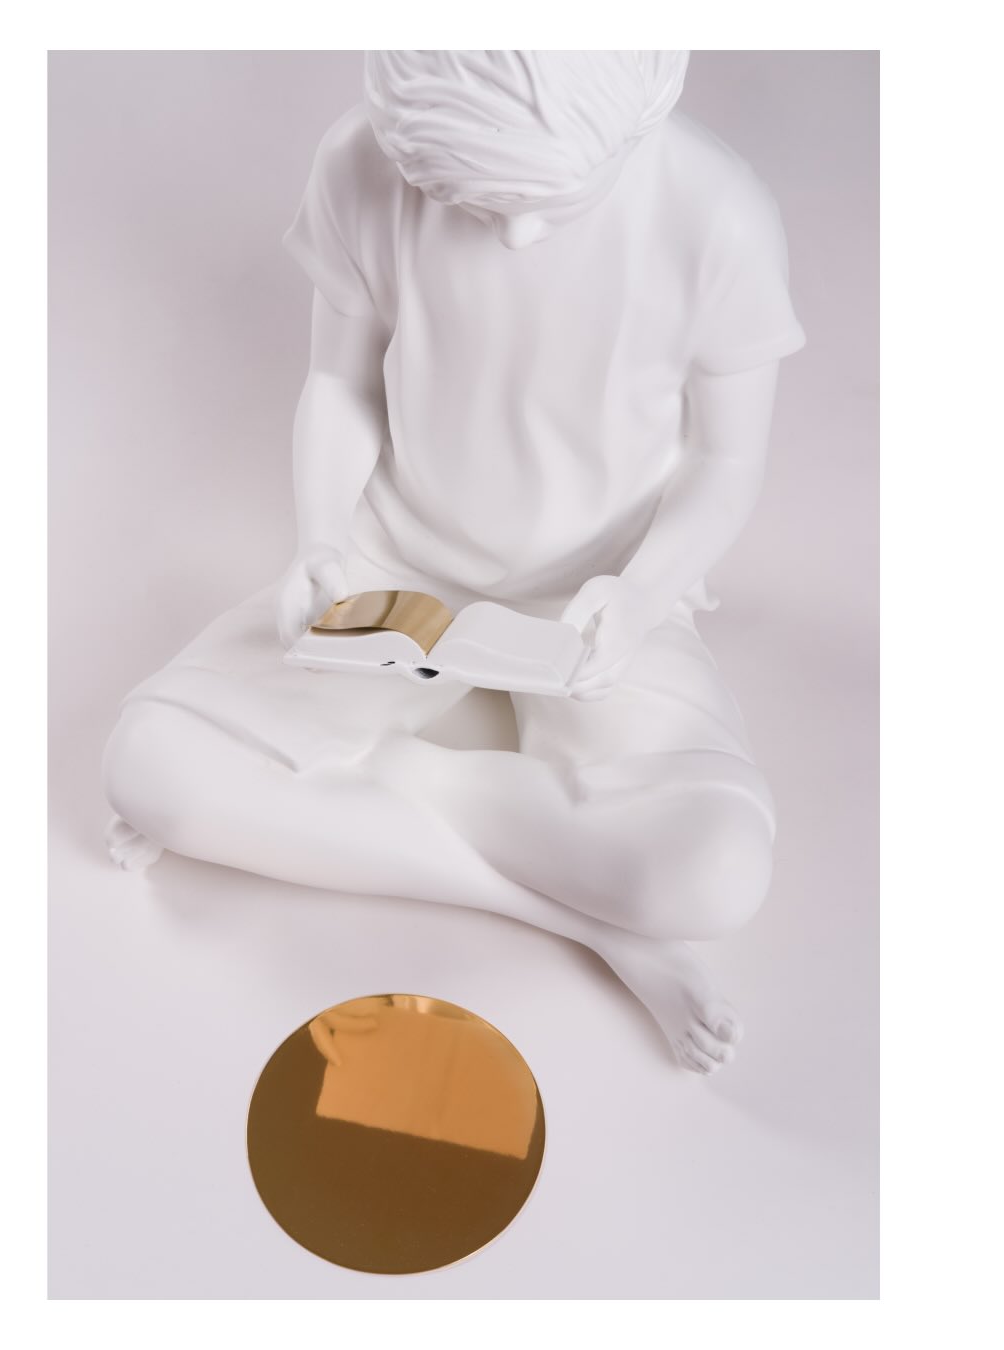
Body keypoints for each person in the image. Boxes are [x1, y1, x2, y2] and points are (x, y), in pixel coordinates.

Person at [103, 50, 806, 1075]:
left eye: (555, 202)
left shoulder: (716, 212)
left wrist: (642, 592)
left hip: (601, 592)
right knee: (146, 766)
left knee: (715, 874)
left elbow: (725, 460)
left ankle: (343, 793)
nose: (513, 234)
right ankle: (587, 924)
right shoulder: (360, 161)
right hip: (395, 568)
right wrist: (320, 539)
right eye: (471, 203)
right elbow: (339, 384)